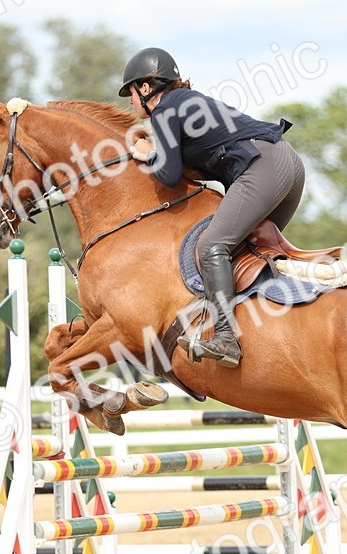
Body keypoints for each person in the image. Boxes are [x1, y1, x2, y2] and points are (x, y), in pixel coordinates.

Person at [119, 47, 305, 368]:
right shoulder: (190, 103)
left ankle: (225, 338)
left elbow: (169, 174)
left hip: (263, 165)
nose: (130, 102)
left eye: (130, 93)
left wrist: (146, 153)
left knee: (212, 245)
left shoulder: (165, 110)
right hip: (288, 164)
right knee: (251, 252)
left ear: (146, 88)